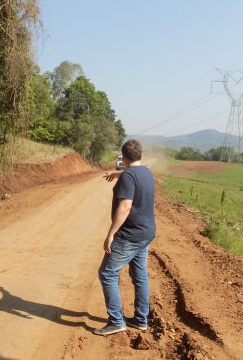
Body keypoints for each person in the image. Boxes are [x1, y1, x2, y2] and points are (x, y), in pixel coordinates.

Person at [94, 139, 156, 336]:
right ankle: (141, 319)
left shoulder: (128, 175)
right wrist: (117, 174)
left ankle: (116, 321)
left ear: (123, 156)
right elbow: (133, 175)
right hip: (146, 233)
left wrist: (110, 234)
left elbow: (125, 206)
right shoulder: (146, 172)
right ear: (139, 155)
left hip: (129, 235)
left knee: (107, 273)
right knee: (140, 275)